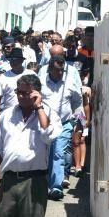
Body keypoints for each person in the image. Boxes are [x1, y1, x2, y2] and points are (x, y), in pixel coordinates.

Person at [0, 74, 61, 217]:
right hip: (9, 181)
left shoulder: (49, 114)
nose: (21, 96)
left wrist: (39, 107)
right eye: (19, 92)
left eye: (26, 93)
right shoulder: (6, 116)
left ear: (37, 94)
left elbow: (48, 135)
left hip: (34, 182)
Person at [40, 56, 83, 200]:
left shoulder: (70, 83)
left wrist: (77, 121)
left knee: (58, 152)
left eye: (62, 71)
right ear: (50, 69)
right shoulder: (41, 83)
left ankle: (56, 187)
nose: (59, 73)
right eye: (57, 70)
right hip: (45, 125)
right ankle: (43, 184)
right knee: (45, 155)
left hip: (64, 124)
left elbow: (78, 102)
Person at [0, 48, 36, 123]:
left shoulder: (31, 74)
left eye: (15, 59)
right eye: (11, 59)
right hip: (10, 114)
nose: (13, 62)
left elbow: (37, 93)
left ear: (22, 61)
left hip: (29, 113)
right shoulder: (4, 77)